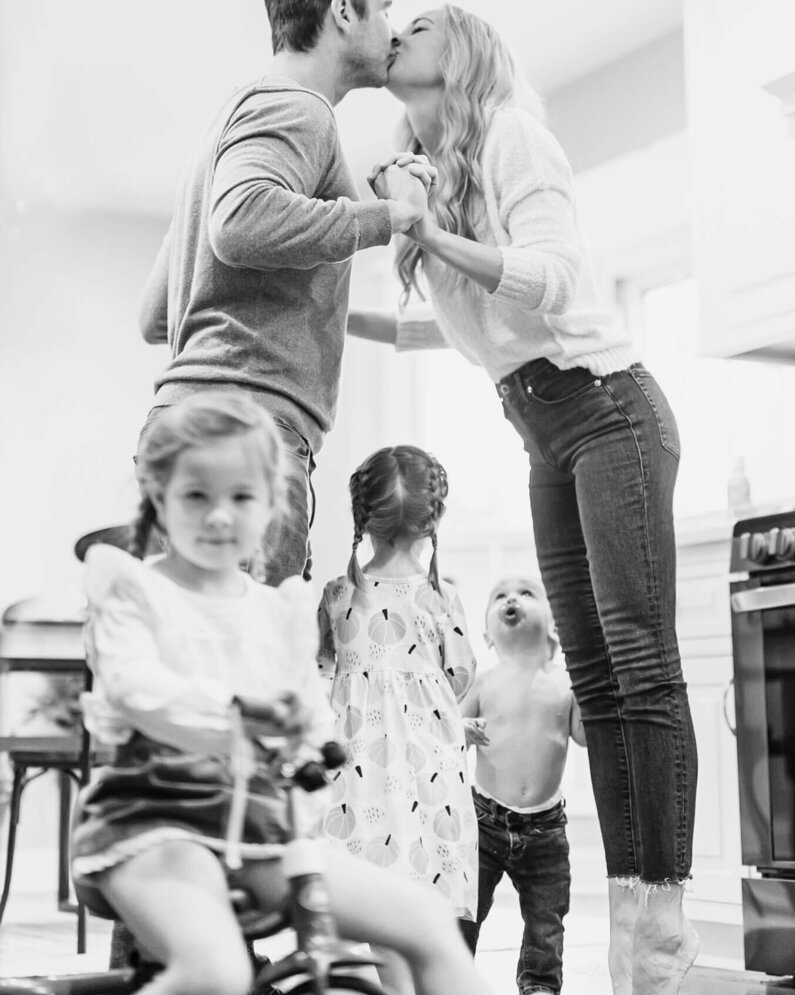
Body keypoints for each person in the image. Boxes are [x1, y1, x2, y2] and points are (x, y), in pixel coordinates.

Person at [347, 4, 700, 995]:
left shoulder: (510, 132)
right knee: (592, 676)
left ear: (456, 50)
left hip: (606, 409)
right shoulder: (440, 169)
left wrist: (425, 231)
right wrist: (345, 319)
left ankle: (655, 934)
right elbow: (462, 332)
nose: (396, 33)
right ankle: (638, 933)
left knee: (638, 663)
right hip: (543, 426)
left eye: (416, 24)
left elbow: (549, 279)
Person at [71, 392, 496, 995]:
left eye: (241, 497)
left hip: (263, 831)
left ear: (270, 503)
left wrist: (315, 736)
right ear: (158, 496)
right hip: (156, 820)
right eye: (197, 495)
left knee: (426, 919)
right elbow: (140, 690)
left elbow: (313, 709)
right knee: (215, 970)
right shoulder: (133, 590)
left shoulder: (279, 611)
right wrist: (241, 714)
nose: (220, 516)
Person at [137, 0, 433, 588]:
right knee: (244, 675)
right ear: (343, 13)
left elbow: (157, 315)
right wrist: (386, 219)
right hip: (248, 436)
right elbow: (240, 223)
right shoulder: (297, 107)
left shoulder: (223, 132)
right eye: (383, 8)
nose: (391, 27)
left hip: (187, 423)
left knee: (190, 673)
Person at [318, 445, 479, 995]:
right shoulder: (441, 597)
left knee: (375, 886)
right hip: (428, 766)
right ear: (434, 520)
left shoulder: (338, 595)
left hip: (359, 766)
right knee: (421, 889)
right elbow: (460, 676)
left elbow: (322, 672)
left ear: (362, 518)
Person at [459, 576, 586, 995]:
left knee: (546, 918)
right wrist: (462, 728)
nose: (512, 598)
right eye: (500, 595)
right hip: (485, 822)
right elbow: (450, 730)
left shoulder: (565, 684)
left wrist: (588, 688)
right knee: (467, 910)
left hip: (546, 828)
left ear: (552, 624)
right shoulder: (484, 680)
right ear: (487, 636)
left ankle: (539, 985)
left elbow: (583, 736)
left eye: (527, 593)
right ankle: (453, 977)